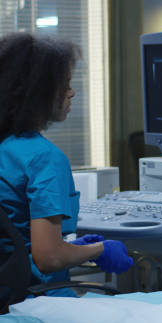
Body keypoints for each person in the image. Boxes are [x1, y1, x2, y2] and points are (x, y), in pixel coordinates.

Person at [0, 32, 133, 300]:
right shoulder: (44, 158)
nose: (71, 92)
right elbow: (49, 258)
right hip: (36, 299)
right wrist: (100, 250)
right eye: (65, 84)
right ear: (38, 91)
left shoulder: (6, 147)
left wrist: (73, 248)